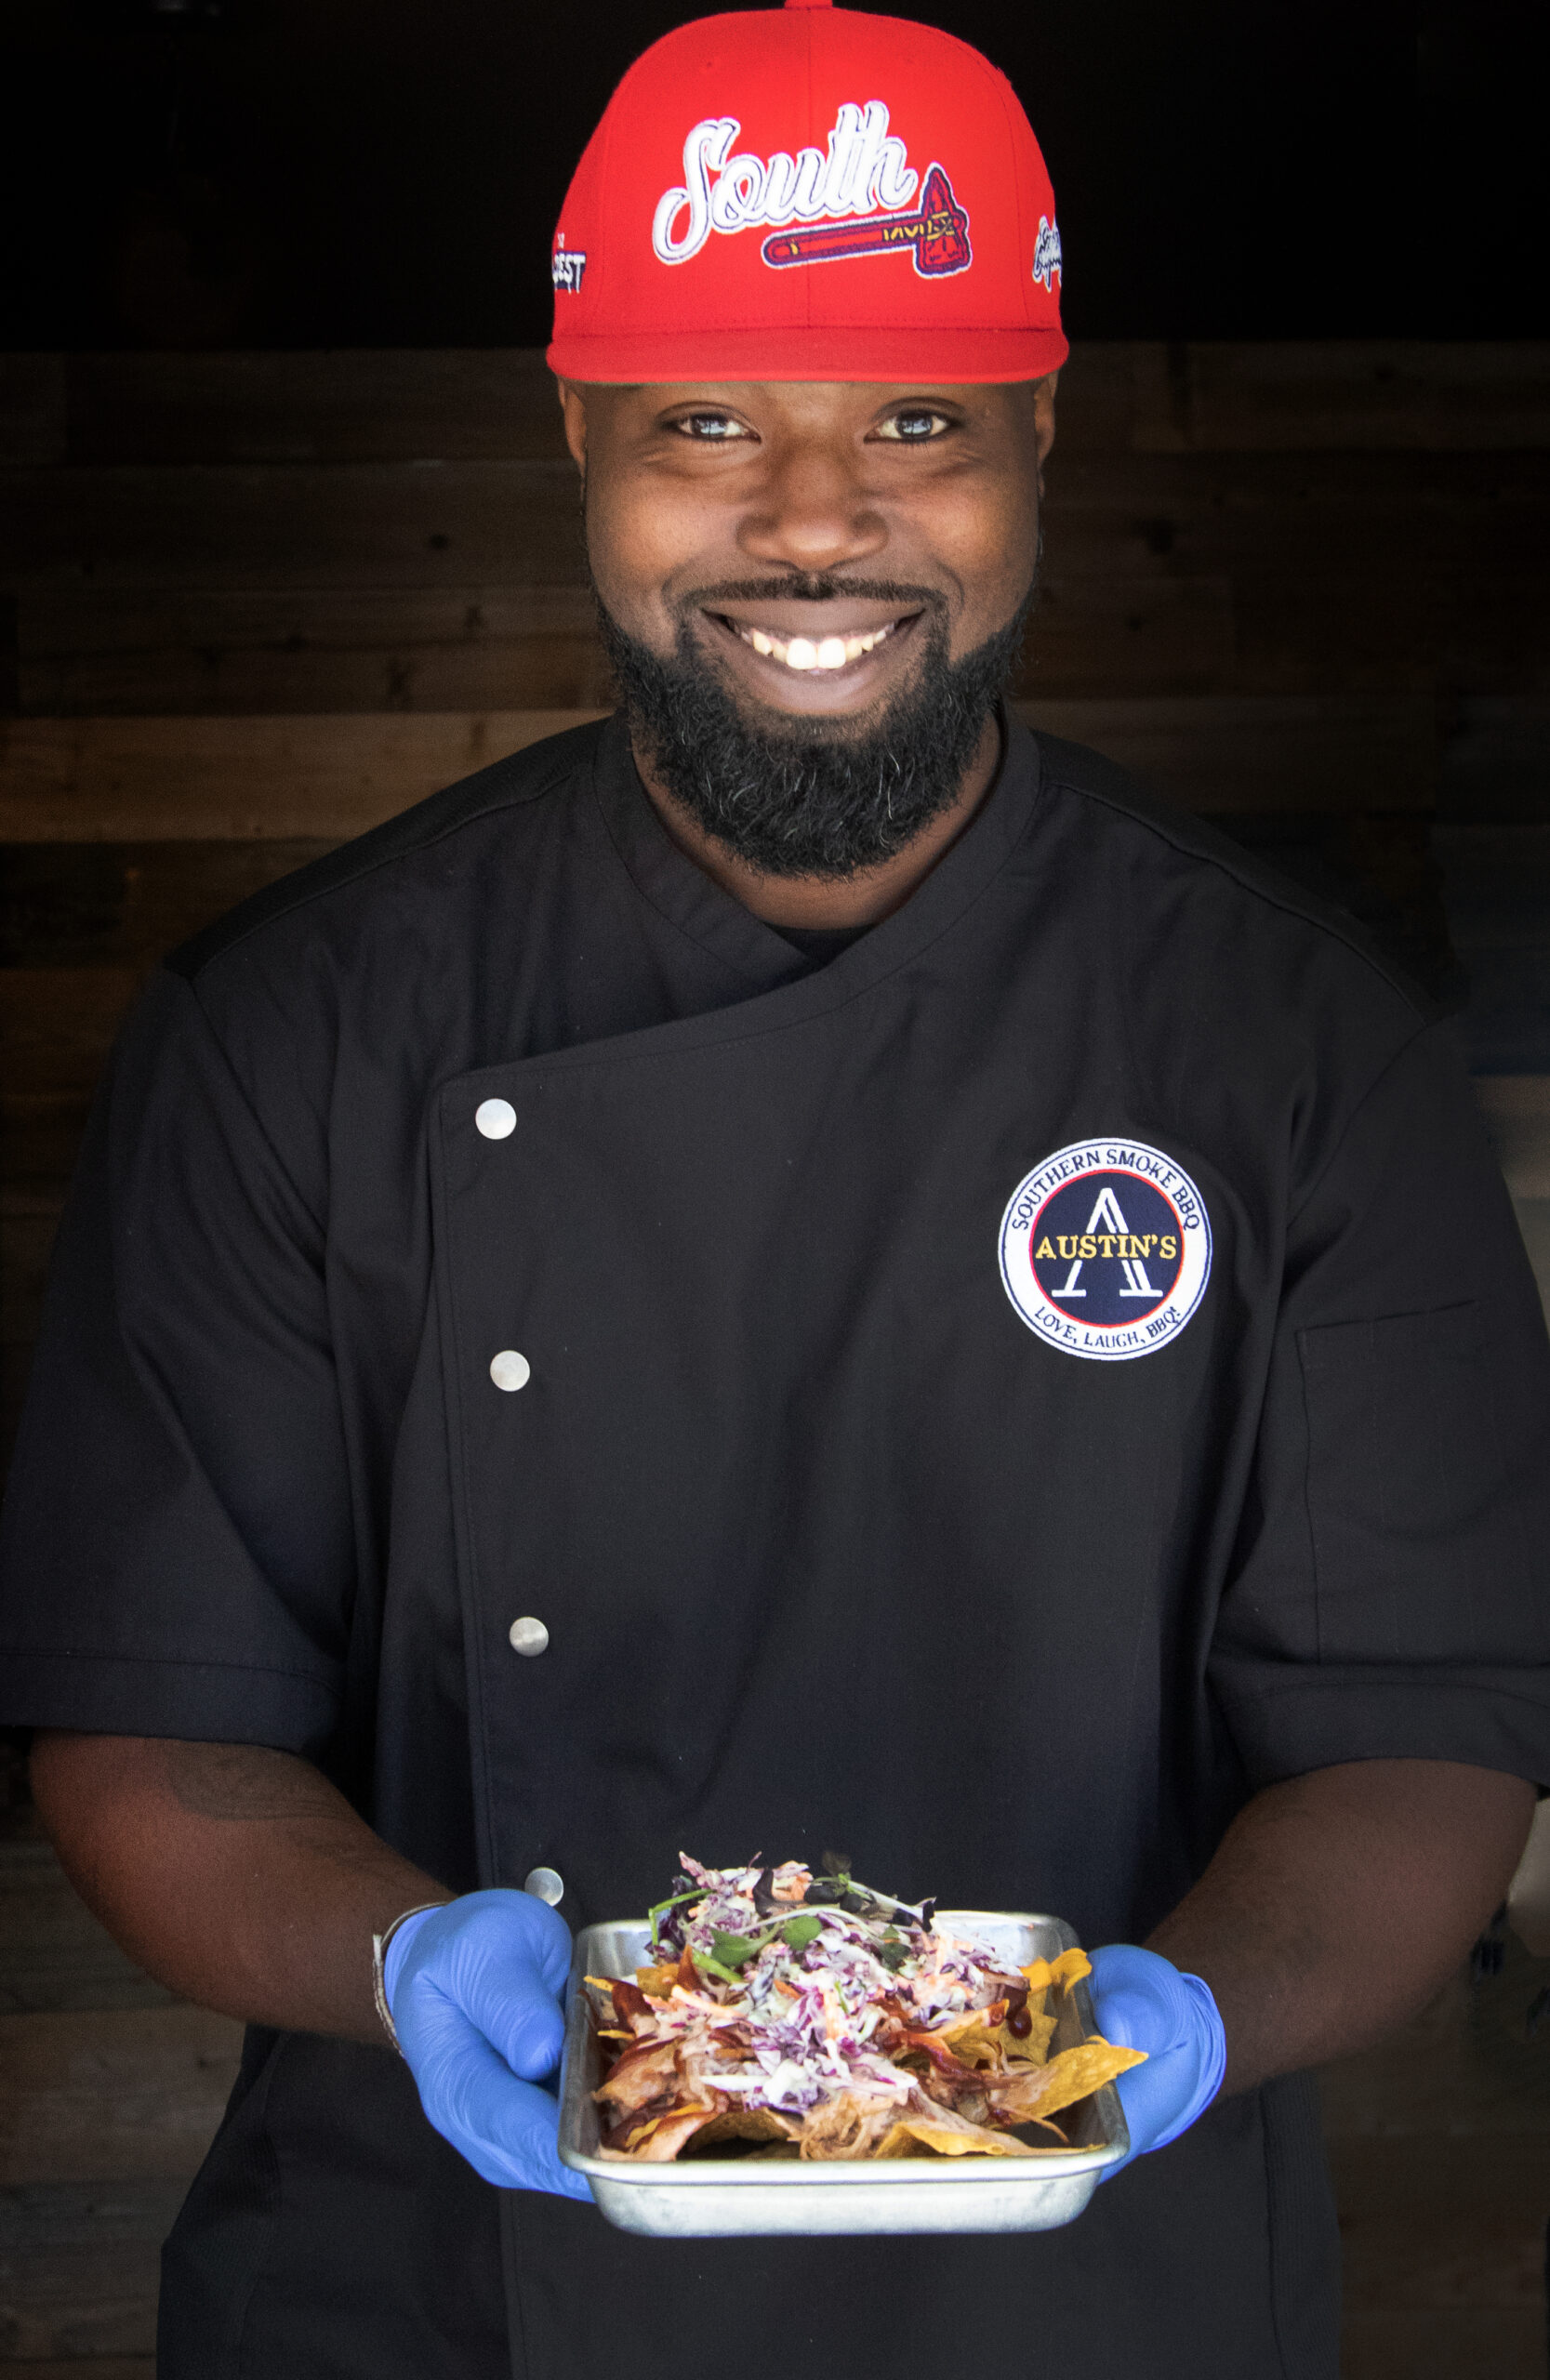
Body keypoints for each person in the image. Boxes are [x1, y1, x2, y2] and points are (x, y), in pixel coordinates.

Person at [2, 2, 1547, 2373]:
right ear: (578, 442)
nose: (814, 521)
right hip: (434, 2292)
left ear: (1043, 438)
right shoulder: (297, 1026)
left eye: (915, 419)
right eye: (707, 420)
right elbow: (152, 1724)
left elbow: (1422, 1723)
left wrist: (1183, 2023)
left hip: (1097, 2294)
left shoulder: (1295, 1041)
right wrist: (399, 1963)